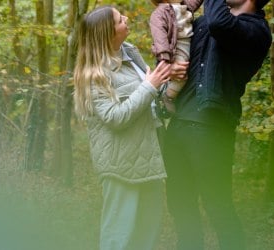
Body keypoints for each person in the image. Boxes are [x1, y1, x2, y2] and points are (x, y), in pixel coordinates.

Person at [163, 0, 272, 249]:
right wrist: (170, 65)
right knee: (179, 201)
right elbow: (179, 45)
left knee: (217, 204)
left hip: (212, 128)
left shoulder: (256, 30)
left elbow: (220, 24)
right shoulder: (203, 23)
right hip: (179, 123)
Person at [73, 6, 171, 250]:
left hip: (148, 158)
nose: (126, 18)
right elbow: (115, 117)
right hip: (120, 165)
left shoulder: (129, 52)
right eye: (119, 20)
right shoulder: (94, 74)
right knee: (119, 237)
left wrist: (164, 81)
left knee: (147, 235)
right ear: (107, 33)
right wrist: (150, 85)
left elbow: (146, 97)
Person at [149, 0, 203, 113]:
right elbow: (160, 38)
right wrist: (166, 58)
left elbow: (195, 2)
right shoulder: (159, 13)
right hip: (176, 47)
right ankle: (168, 96)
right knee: (182, 76)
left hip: (188, 42)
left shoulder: (183, 6)